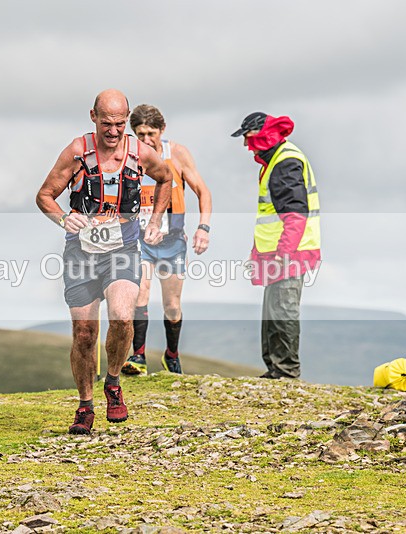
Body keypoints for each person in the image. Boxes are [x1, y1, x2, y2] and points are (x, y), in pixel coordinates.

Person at [36, 89, 173, 434]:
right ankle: (85, 405)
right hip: (81, 251)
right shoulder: (77, 151)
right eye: (107, 123)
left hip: (122, 248)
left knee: (123, 318)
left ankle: (113, 382)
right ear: (93, 116)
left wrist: (155, 220)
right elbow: (44, 195)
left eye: (120, 123)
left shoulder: (139, 152)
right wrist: (63, 218)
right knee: (85, 333)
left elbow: (166, 178)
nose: (113, 131)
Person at [121, 104, 212, 376]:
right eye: (140, 134)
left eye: (151, 133)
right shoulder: (130, 156)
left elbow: (203, 192)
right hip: (140, 240)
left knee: (172, 306)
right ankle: (137, 356)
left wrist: (203, 228)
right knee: (140, 294)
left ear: (162, 130)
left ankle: (171, 355)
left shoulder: (178, 154)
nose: (146, 140)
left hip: (172, 241)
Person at [232, 112, 321, 379]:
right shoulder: (275, 161)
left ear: (263, 137)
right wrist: (258, 251)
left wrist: (284, 252)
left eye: (250, 139)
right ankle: (275, 368)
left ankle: (286, 371)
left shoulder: (285, 161)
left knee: (283, 310)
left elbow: (295, 213)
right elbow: (270, 215)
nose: (247, 147)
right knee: (273, 311)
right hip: (276, 251)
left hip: (290, 252)